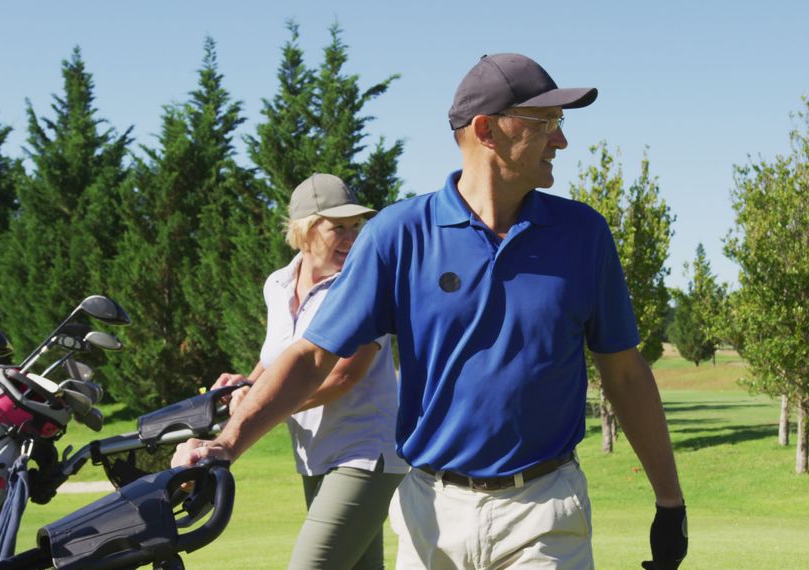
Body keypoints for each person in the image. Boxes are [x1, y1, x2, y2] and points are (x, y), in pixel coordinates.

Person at [175, 53, 688, 569]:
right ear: (487, 130)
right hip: (431, 515)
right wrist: (226, 443)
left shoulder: (584, 235)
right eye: (545, 124)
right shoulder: (399, 236)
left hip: (545, 509)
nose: (561, 140)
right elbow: (312, 358)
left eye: (560, 123)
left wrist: (670, 503)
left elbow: (624, 374)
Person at [212, 172, 407, 570]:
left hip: (366, 455)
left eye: (357, 226)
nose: (353, 238)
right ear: (304, 230)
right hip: (313, 456)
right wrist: (245, 385)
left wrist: (261, 401)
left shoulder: (364, 288)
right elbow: (279, 359)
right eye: (339, 227)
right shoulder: (278, 285)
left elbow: (340, 377)